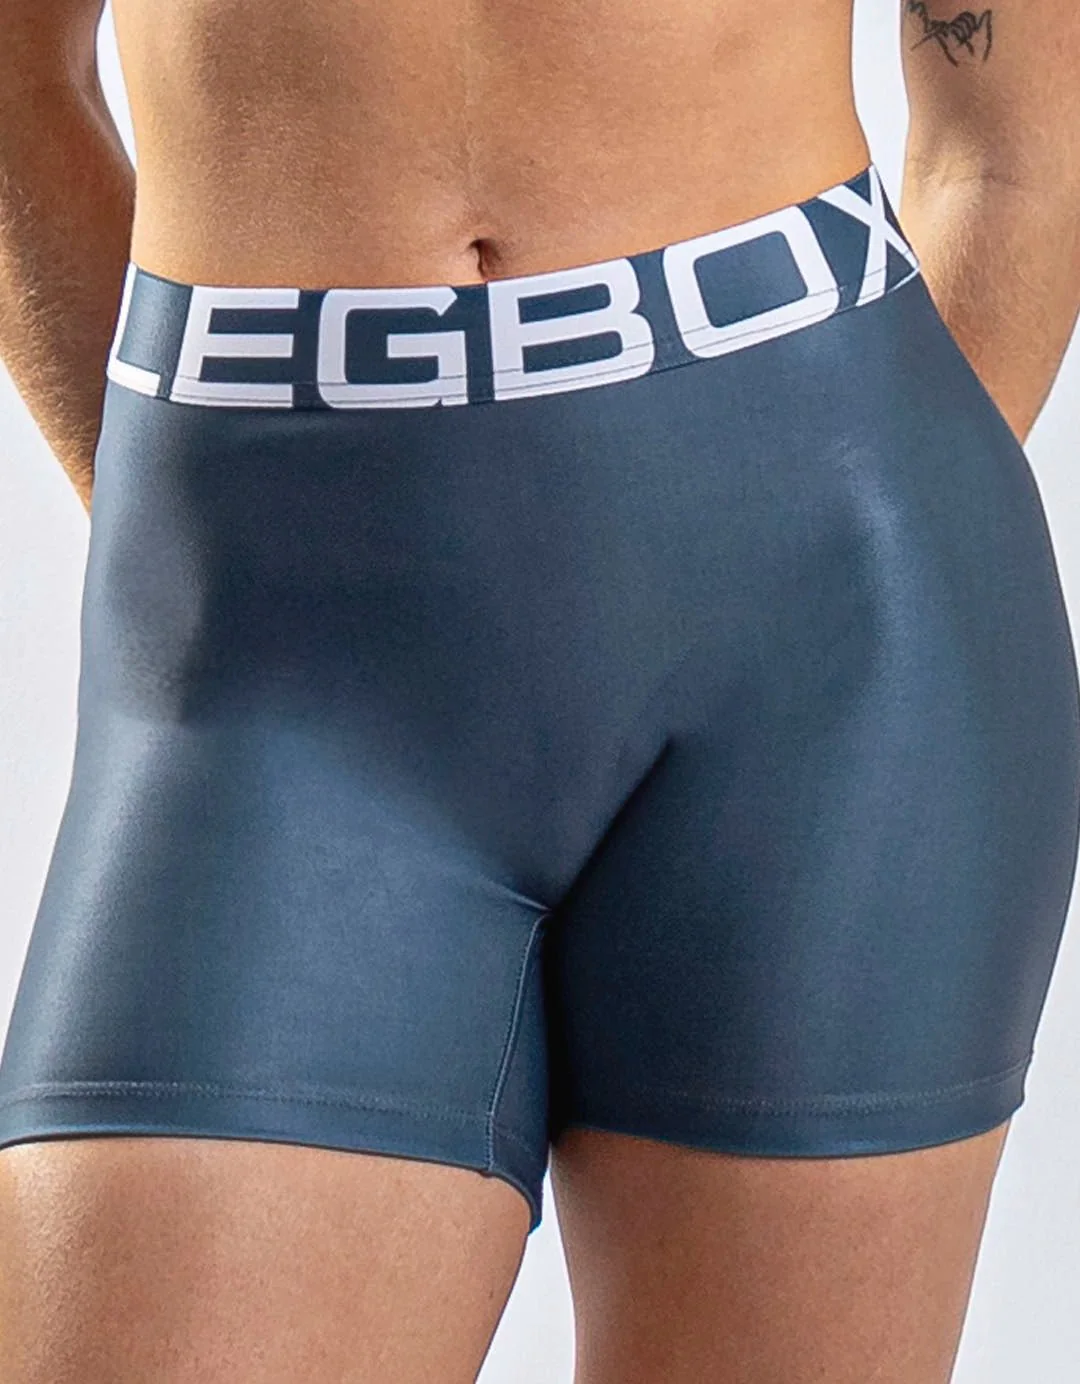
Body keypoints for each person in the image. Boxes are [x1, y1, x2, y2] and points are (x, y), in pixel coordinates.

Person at [0, 0, 1078, 1378]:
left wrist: (823, 555)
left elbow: (1013, 147)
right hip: (275, 667)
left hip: (834, 637)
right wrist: (233, 559)